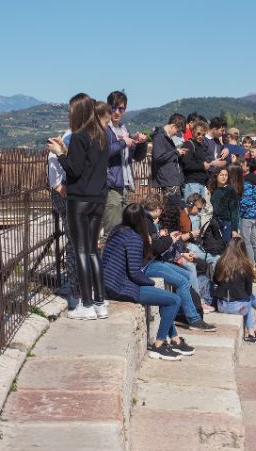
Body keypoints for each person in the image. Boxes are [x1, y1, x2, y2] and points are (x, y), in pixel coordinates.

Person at [103, 204, 194, 360]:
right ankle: (159, 345)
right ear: (141, 221)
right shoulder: (134, 238)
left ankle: (174, 339)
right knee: (174, 300)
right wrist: (150, 283)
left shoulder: (117, 230)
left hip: (110, 283)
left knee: (164, 298)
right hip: (120, 287)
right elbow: (134, 273)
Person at [47, 95, 110, 320]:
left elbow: (73, 170)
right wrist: (66, 150)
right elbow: (89, 165)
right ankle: (101, 303)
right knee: (93, 250)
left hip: (80, 199)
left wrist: (59, 153)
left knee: (81, 250)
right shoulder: (102, 136)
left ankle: (86, 303)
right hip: (98, 199)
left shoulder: (79, 136)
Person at [141, 193, 218, 331]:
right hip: (148, 264)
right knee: (183, 280)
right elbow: (157, 248)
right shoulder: (147, 223)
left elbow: (156, 244)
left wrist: (166, 239)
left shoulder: (147, 221)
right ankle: (194, 319)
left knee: (187, 275)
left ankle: (183, 312)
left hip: (153, 261)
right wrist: (171, 239)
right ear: (158, 208)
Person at [47, 129, 86, 311]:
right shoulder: (66, 142)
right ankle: (75, 292)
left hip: (77, 196)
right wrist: (60, 187)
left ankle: (80, 289)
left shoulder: (77, 138)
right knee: (74, 244)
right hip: (67, 196)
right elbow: (56, 175)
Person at [102, 90, 148, 240]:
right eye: (113, 108)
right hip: (111, 187)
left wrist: (141, 143)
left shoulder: (124, 129)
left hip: (125, 186)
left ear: (125, 109)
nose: (116, 112)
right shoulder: (104, 129)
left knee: (123, 232)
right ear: (108, 107)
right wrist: (123, 143)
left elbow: (137, 157)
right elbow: (103, 152)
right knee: (111, 233)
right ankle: (106, 263)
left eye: (120, 109)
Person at [214, 237, 256, 343]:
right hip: (238, 309)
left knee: (247, 299)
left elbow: (215, 280)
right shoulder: (245, 266)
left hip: (221, 305)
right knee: (248, 299)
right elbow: (248, 291)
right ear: (243, 249)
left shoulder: (220, 262)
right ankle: (252, 332)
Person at [181, 120, 223, 201]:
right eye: (198, 133)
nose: (201, 136)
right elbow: (186, 164)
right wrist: (203, 166)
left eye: (203, 135)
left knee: (200, 211)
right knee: (193, 211)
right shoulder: (188, 144)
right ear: (193, 131)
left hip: (201, 182)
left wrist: (209, 165)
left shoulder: (201, 146)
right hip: (192, 182)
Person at [151, 113, 187, 196]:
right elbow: (158, 157)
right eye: (177, 131)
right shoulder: (159, 137)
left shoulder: (166, 137)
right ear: (173, 126)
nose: (177, 134)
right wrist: (176, 152)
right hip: (167, 180)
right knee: (172, 207)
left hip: (171, 180)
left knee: (174, 207)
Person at [239, 158, 256, 275]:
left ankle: (251, 266)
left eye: (243, 162)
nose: (241, 164)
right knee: (253, 240)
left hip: (247, 215)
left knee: (246, 240)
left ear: (248, 167)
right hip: (254, 215)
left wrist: (239, 211)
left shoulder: (247, 182)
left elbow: (245, 201)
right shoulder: (255, 180)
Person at [209, 168, 239, 243]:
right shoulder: (213, 189)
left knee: (227, 248)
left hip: (226, 223)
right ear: (216, 176)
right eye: (221, 175)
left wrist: (234, 229)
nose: (224, 177)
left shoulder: (230, 190)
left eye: (226, 175)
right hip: (215, 223)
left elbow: (235, 211)